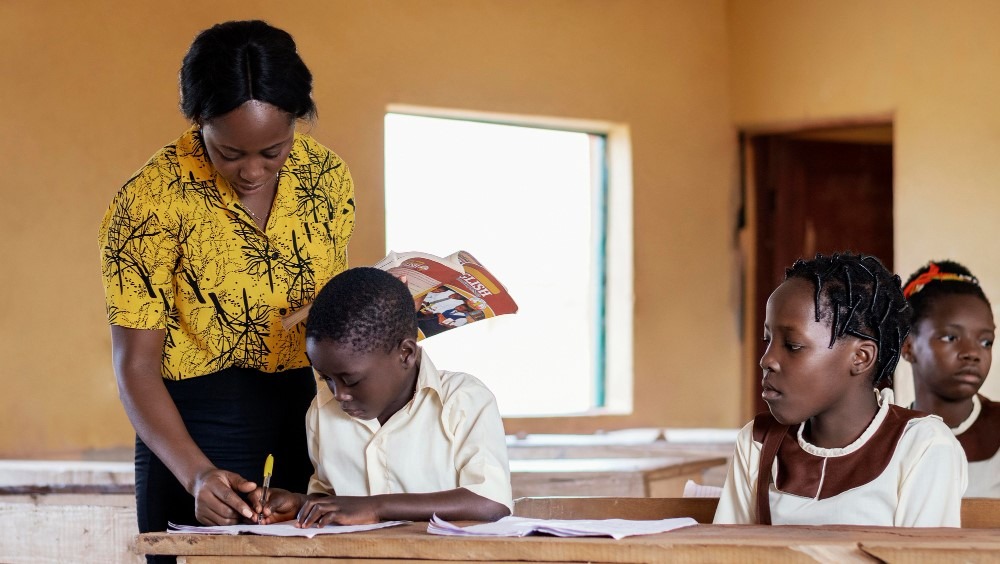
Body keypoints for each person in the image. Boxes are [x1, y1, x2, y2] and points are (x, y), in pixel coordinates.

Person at [97, 19, 356, 553]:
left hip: (306, 419)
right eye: (230, 153)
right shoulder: (148, 203)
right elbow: (136, 366)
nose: (254, 172)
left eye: (273, 150)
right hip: (187, 428)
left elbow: (326, 314)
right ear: (199, 122)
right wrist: (195, 475)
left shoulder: (328, 180)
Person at [714, 252, 967, 526]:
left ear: (860, 358)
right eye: (767, 340)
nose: (767, 360)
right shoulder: (757, 442)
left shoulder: (923, 446)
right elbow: (726, 552)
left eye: (793, 345)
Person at [253, 267, 512, 526]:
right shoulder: (321, 412)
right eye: (326, 378)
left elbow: (489, 503)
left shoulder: (463, 400)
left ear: (406, 354)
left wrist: (376, 508)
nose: (339, 394)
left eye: (351, 380)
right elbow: (331, 496)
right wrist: (300, 504)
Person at [901, 260, 999, 497]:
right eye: (950, 338)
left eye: (985, 341)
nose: (972, 353)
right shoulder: (889, 438)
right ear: (908, 346)